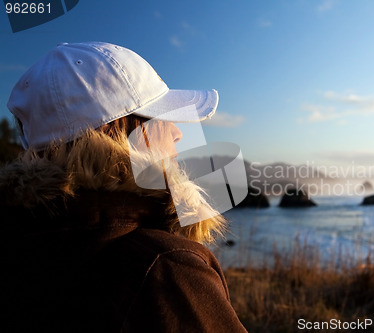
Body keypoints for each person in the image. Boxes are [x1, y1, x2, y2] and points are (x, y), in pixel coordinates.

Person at [0, 42, 247, 332]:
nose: (178, 131)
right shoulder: (164, 269)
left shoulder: (17, 242)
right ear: (113, 133)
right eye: (160, 116)